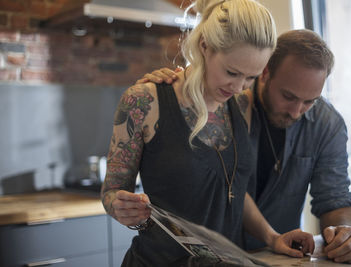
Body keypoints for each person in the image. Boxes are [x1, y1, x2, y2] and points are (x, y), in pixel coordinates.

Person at [101, 0, 314, 266]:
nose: (238, 86)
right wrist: (122, 207)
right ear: (204, 46)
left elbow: (231, 188)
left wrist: (272, 238)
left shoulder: (242, 105)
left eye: (250, 77)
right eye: (232, 72)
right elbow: (111, 192)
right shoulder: (145, 101)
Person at [139, 29, 351, 264]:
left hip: (279, 259)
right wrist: (168, 90)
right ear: (265, 72)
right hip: (205, 258)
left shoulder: (327, 124)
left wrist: (346, 234)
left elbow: (335, 197)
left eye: (309, 102)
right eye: (288, 96)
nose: (297, 111)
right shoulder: (223, 105)